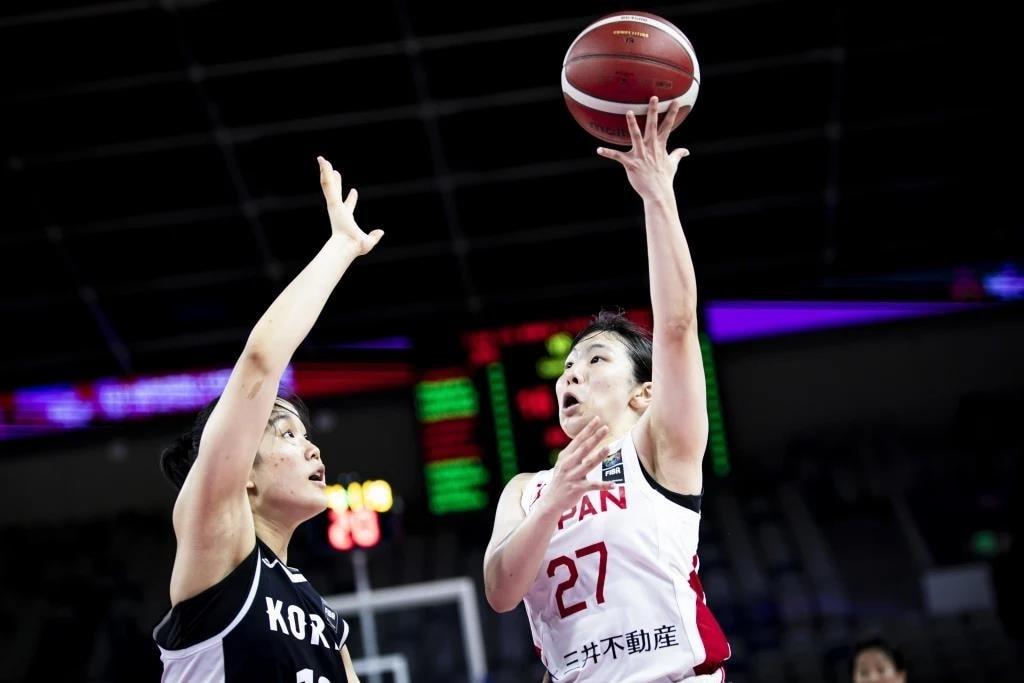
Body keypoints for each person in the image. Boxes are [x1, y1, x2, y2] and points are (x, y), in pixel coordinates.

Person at [483, 96, 730, 682]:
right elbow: (499, 591)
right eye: (566, 368)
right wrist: (554, 501)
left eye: (594, 360)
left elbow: (674, 327)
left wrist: (656, 194)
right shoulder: (526, 489)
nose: (571, 374)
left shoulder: (661, 445)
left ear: (643, 393)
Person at [153, 156, 383, 682]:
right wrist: (342, 247)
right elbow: (259, 366)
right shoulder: (217, 540)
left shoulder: (328, 624)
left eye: (306, 435)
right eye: (285, 433)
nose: (312, 448)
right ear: (244, 475)